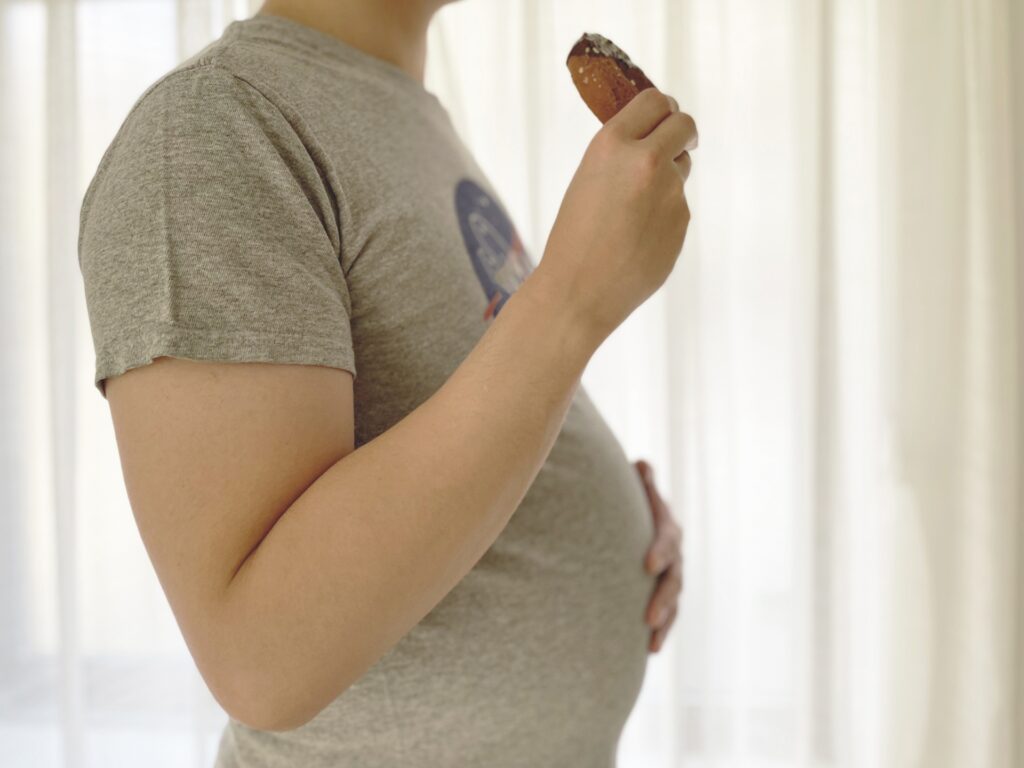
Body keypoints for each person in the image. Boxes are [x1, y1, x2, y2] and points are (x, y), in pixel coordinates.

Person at [77, 0, 695, 764]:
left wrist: (603, 506)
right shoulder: (214, 127)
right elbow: (260, 657)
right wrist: (571, 301)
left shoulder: (393, 108)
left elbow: (457, 413)